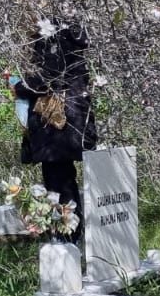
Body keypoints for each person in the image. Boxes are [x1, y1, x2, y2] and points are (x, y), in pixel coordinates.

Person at [9, 20, 98, 239]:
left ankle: (67, 237)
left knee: (58, 181)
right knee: (63, 178)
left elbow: (49, 76)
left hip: (57, 125)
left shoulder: (56, 37)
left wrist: (19, 87)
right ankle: (68, 234)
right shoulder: (71, 36)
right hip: (67, 122)